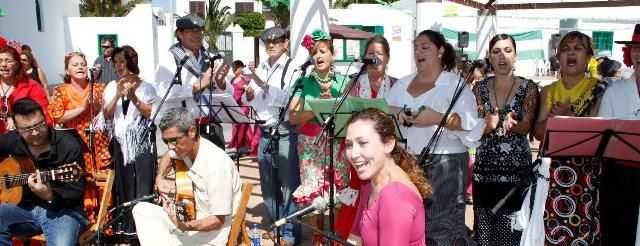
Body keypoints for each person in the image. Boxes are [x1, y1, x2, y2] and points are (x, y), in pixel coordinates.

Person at [386, 30, 483, 245]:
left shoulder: (455, 84)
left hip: (445, 163)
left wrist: (437, 118)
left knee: (442, 227)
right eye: (416, 47)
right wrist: (397, 113)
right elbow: (383, 114)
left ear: (440, 50)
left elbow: (469, 125)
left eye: (425, 46)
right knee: (410, 223)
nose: (418, 51)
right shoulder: (402, 84)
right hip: (406, 160)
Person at [533, 31, 603, 245]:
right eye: (565, 49)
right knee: (550, 231)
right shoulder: (548, 91)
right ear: (558, 56)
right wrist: (558, 120)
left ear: (589, 56)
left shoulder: (600, 90)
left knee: (583, 231)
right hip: (552, 174)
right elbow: (538, 133)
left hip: (585, 174)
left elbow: (598, 134)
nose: (571, 54)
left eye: (578, 48)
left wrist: (567, 120)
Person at [133, 107, 241, 245]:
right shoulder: (183, 150)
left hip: (209, 233)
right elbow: (168, 156)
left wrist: (186, 226)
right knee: (141, 209)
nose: (170, 147)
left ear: (191, 131)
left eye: (174, 140)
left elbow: (217, 221)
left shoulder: (216, 165)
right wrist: (160, 177)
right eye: (166, 141)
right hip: (187, 220)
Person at [471, 34, 539, 245]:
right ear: (489, 57)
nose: (502, 56)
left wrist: (512, 124)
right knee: (483, 235)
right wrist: (489, 126)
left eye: (507, 51)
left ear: (515, 56)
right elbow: (474, 129)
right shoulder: (479, 88)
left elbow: (528, 126)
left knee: (511, 235)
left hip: (516, 175)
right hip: (484, 174)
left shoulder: (528, 88)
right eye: (496, 51)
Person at [288, 28, 351, 245]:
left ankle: (335, 236)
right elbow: (293, 117)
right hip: (310, 144)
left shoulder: (345, 82)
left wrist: (333, 104)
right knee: (314, 191)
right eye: (314, 53)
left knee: (338, 189)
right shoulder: (303, 83)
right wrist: (318, 108)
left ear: (333, 54)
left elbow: (352, 113)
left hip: (337, 142)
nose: (318, 56)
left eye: (323, 51)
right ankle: (317, 238)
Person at [336, 34, 398, 240]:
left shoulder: (397, 85)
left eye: (379, 53)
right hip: (360, 154)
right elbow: (342, 114)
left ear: (387, 58)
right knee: (357, 197)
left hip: (385, 155)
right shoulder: (354, 83)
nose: (375, 57)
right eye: (370, 54)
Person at [0, 98, 87, 245]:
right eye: (27, 129)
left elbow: (77, 192)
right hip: (25, 209)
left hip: (64, 211)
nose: (34, 132)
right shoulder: (13, 141)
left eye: (39, 125)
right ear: (17, 129)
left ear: (45, 118)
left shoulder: (68, 145)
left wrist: (49, 195)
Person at [242, 26, 301, 245]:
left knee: (289, 185)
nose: (271, 45)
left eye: (276, 41)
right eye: (267, 42)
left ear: (286, 43)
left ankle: (290, 233)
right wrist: (250, 94)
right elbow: (255, 101)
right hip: (265, 131)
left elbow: (288, 99)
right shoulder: (262, 66)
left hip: (286, 130)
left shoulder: (293, 66)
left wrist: (262, 85)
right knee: (267, 182)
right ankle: (276, 224)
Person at [344, 108, 431, 246]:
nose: (353, 154)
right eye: (349, 145)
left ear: (389, 144)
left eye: (363, 143)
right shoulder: (369, 183)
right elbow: (355, 238)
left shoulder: (394, 197)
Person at [48, 51, 112, 225]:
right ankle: (83, 224)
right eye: (75, 65)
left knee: (102, 180)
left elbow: (107, 112)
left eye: (82, 64)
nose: (80, 67)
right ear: (67, 70)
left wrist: (96, 105)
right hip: (74, 145)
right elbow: (57, 116)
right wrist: (83, 108)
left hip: (98, 143)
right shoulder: (61, 90)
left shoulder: (99, 87)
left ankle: (104, 224)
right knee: (79, 179)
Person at [154, 14, 231, 153]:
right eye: (190, 31)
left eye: (199, 30)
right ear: (179, 34)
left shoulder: (211, 57)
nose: (196, 35)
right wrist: (196, 86)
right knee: (186, 173)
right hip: (182, 128)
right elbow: (164, 92)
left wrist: (220, 82)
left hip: (210, 125)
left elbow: (227, 93)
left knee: (214, 172)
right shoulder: (169, 59)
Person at [102, 45, 156, 236]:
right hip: (120, 142)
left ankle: (144, 228)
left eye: (122, 61)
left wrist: (132, 96)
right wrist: (117, 94)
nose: (118, 66)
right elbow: (107, 114)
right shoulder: (110, 87)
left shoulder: (146, 86)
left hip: (141, 140)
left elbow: (150, 113)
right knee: (123, 184)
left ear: (131, 62)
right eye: (116, 62)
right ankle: (127, 227)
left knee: (142, 184)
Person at [597, 24, 640, 245]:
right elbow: (604, 137)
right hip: (620, 178)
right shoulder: (614, 90)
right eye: (635, 47)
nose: (639, 53)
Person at [0, 45, 51, 134]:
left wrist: (18, 119)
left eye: (8, 61)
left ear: (16, 65)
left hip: (24, 139)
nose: (3, 64)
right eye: (0, 61)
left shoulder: (31, 86)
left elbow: (44, 114)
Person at [227, 60, 257, 156]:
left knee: (239, 126)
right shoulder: (232, 79)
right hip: (234, 106)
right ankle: (247, 146)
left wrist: (247, 89)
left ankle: (238, 146)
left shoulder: (245, 79)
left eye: (236, 68)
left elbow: (250, 90)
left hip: (243, 106)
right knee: (243, 127)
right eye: (233, 68)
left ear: (241, 68)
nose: (234, 70)